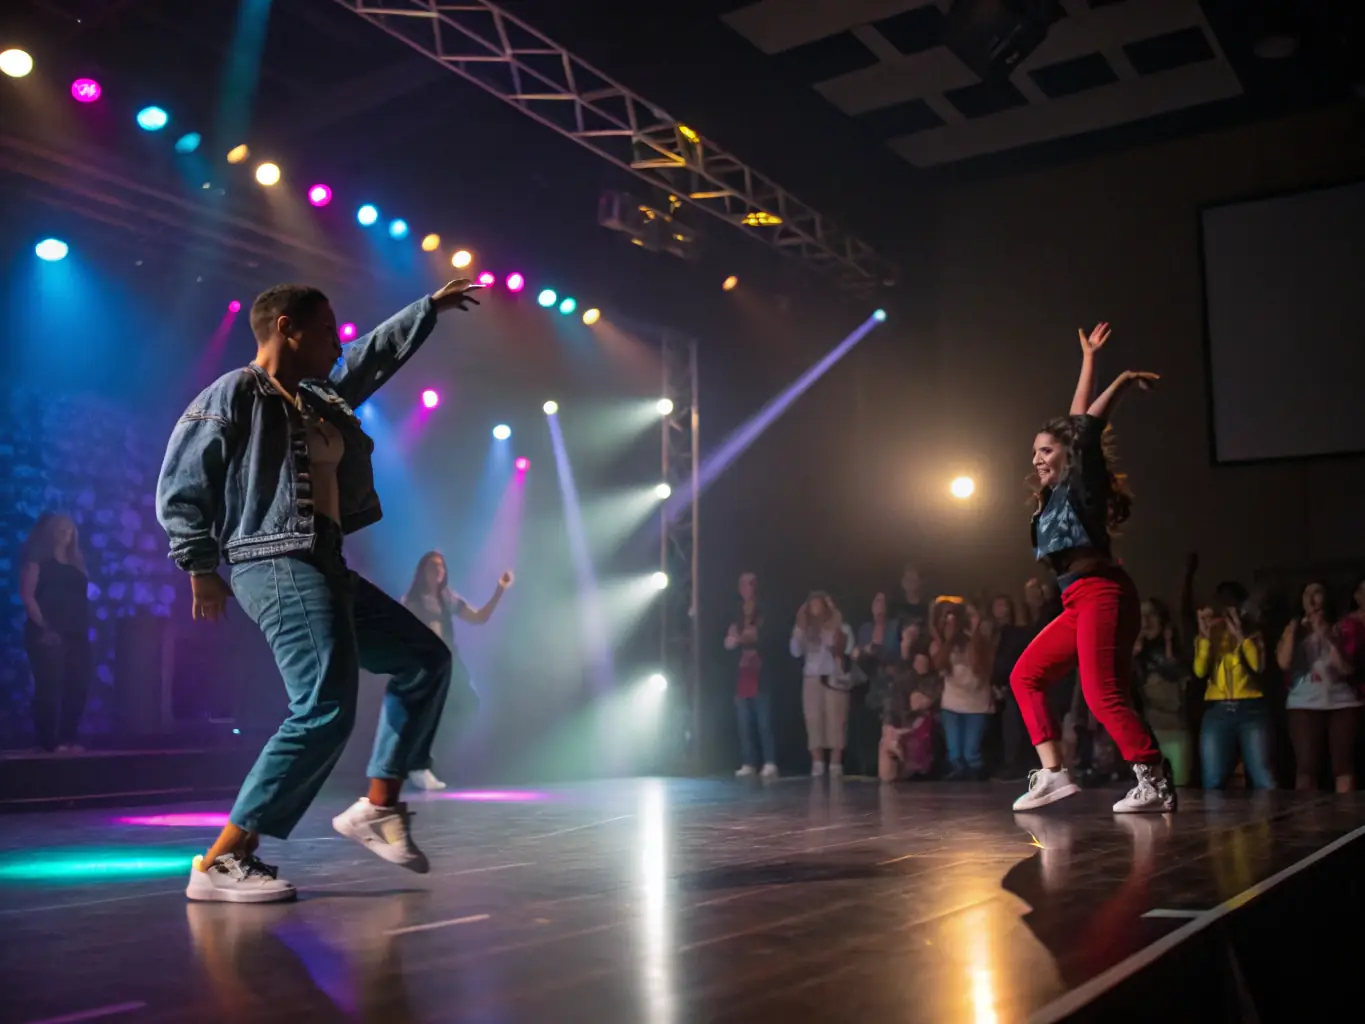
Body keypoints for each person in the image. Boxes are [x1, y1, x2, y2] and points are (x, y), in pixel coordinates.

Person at [157, 277, 484, 903]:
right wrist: (199, 566)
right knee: (324, 706)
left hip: (323, 560)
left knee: (426, 659)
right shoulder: (236, 393)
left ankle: (378, 807)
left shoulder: (319, 397)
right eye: (327, 330)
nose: (338, 342)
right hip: (272, 559)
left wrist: (427, 310)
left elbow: (369, 356)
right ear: (287, 329)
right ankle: (223, 859)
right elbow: (181, 483)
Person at [1010, 322, 1173, 813]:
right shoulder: (1054, 496)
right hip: (1077, 601)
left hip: (1102, 592)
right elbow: (1074, 424)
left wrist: (1114, 378)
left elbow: (1082, 427)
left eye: (1045, 450)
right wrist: (1088, 359)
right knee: (1026, 676)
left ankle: (1155, 781)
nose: (1036, 459)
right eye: (1034, 451)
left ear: (1068, 453)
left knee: (1103, 697)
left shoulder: (1083, 484)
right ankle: (1054, 775)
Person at [401, 550, 514, 790]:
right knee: (425, 712)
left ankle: (429, 755)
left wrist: (499, 590)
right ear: (422, 571)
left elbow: (479, 617)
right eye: (433, 566)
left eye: (441, 566)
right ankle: (418, 763)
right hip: (425, 664)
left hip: (449, 661)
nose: (438, 571)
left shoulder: (447, 598)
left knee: (469, 702)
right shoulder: (412, 601)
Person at [19, 513, 92, 753]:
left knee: (78, 684)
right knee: (49, 686)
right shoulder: (37, 559)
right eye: (60, 529)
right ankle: (48, 742)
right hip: (47, 630)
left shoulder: (76, 560)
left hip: (77, 631)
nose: (65, 534)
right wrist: (44, 625)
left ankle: (67, 739)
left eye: (69, 529)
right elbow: (28, 595)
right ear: (49, 532)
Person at [1278, 582, 1359, 792]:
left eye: (1317, 593)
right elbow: (1284, 663)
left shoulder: (1341, 627)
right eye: (1307, 594)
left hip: (1342, 702)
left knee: (1343, 767)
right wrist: (1294, 632)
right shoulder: (1293, 628)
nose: (1312, 599)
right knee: (1306, 768)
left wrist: (1327, 635)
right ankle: (1307, 814)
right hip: (1303, 701)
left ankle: (1346, 811)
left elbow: (1345, 669)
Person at [1194, 589, 1275, 790]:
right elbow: (1200, 671)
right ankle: (1214, 813)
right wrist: (1205, 638)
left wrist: (1240, 635)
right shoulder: (1210, 636)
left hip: (1251, 709)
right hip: (1217, 710)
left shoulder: (1254, 634)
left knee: (1263, 777)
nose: (1225, 616)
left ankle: (1269, 811)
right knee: (1213, 780)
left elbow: (1258, 666)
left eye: (1231, 610)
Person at [790, 591, 852, 777]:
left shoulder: (840, 627)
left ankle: (835, 763)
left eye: (820, 605)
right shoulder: (804, 629)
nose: (816, 609)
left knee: (836, 720)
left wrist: (833, 620)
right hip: (811, 678)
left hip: (834, 677)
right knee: (813, 719)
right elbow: (795, 651)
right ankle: (817, 763)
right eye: (812, 605)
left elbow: (843, 647)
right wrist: (800, 629)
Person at [1132, 598, 1193, 786]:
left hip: (1176, 731)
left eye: (1151, 615)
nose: (1146, 621)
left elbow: (1180, 680)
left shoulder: (1177, 651)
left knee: (1182, 790)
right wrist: (1134, 651)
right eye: (1141, 616)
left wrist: (1168, 646)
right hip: (1148, 736)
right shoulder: (1135, 656)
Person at [932, 601, 996, 779]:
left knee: (970, 754)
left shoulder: (983, 642)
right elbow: (940, 665)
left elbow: (979, 668)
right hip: (952, 702)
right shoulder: (951, 641)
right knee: (954, 754)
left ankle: (976, 783)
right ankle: (958, 784)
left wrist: (975, 632)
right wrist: (948, 637)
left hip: (976, 703)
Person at [725, 571, 777, 779]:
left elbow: (764, 636)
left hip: (760, 672)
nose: (747, 588)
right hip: (741, 672)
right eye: (744, 585)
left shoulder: (765, 611)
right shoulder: (735, 613)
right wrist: (740, 638)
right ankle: (748, 762)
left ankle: (769, 761)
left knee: (764, 720)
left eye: (750, 584)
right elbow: (729, 641)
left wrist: (743, 638)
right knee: (744, 721)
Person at [874, 623, 940, 781]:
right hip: (905, 729)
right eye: (917, 659)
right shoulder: (904, 680)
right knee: (887, 741)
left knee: (910, 733)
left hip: (928, 733)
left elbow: (926, 708)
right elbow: (892, 706)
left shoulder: (936, 681)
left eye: (924, 658)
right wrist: (889, 726)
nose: (920, 662)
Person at [850, 591, 901, 776]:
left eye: (883, 601)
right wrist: (866, 651)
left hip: (891, 681)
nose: (879, 605)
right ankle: (869, 765)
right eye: (876, 601)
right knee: (866, 722)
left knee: (888, 719)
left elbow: (897, 654)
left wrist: (876, 651)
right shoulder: (865, 629)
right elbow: (859, 654)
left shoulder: (895, 626)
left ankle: (889, 767)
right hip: (869, 681)